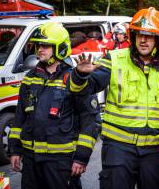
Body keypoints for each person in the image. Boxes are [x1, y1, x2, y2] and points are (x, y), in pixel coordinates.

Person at [69, 7, 159, 189]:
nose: (143, 40)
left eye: (150, 35)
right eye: (139, 35)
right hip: (119, 148)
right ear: (132, 36)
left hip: (155, 149)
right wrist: (80, 75)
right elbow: (83, 90)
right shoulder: (114, 59)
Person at [8, 22, 101, 189]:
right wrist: (15, 150)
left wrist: (81, 157)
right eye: (38, 45)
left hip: (61, 161)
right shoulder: (30, 78)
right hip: (31, 160)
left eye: (46, 45)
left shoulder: (76, 79)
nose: (40, 49)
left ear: (60, 48)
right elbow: (20, 117)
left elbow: (91, 121)